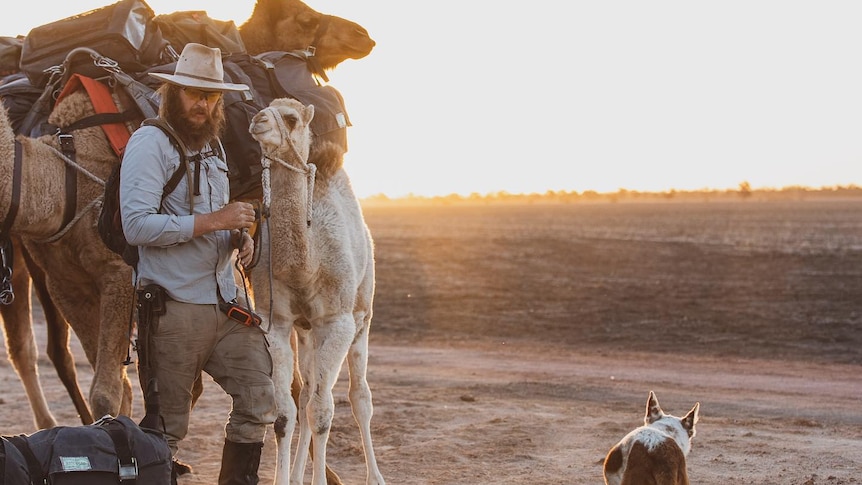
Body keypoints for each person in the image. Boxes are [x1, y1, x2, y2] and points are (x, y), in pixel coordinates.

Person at [120, 43, 276, 485]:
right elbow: (136, 225)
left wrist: (237, 236)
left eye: (211, 96)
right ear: (171, 92)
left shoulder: (214, 147)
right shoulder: (149, 143)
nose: (202, 104)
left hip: (225, 302)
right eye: (192, 93)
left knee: (260, 397)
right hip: (174, 307)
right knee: (166, 429)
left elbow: (213, 221)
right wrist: (214, 220)